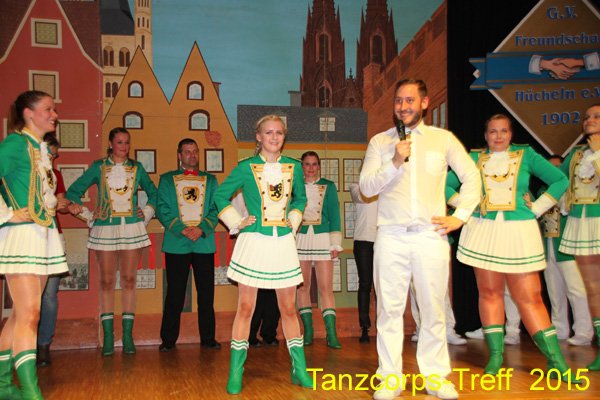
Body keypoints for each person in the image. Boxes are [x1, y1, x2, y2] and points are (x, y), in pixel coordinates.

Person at [359, 79, 480, 400]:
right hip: (391, 235)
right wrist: (394, 161)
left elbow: (472, 177)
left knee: (433, 309)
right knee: (389, 310)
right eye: (399, 100)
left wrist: (460, 216)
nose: (403, 107)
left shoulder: (443, 139)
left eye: (410, 100)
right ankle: (390, 378)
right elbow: (366, 187)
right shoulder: (380, 142)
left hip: (430, 235)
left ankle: (436, 378)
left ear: (424, 103)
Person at [447, 113, 578, 382]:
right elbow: (445, 185)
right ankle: (495, 357)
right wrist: (467, 207)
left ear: (511, 134)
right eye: (493, 131)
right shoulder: (473, 158)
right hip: (484, 231)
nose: (498, 136)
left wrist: (537, 208)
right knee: (489, 293)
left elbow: (560, 180)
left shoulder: (526, 155)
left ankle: (556, 361)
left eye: (503, 131)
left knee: (530, 296)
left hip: (519, 231)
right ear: (485, 135)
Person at [213, 115, 312, 394]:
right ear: (258, 136)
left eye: (279, 132)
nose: (274, 137)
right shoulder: (245, 167)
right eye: (268, 132)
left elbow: (301, 198)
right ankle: (236, 372)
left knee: (289, 309)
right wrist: (237, 221)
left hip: (282, 244)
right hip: (254, 241)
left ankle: (299, 369)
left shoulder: (294, 166)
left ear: (284, 136)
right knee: (246, 307)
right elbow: (219, 196)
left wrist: (294, 220)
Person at [0, 90, 69, 399]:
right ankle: (30, 392)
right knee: (30, 315)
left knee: (20, 315)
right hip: (22, 236)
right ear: (28, 113)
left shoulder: (39, 148)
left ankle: (4, 385)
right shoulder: (15, 144)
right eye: (48, 109)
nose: (54, 115)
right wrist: (6, 215)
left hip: (43, 235)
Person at [66, 127, 157, 356]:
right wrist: (88, 215)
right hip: (105, 229)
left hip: (131, 228)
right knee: (106, 281)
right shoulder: (98, 167)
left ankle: (127, 336)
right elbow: (73, 192)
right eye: (119, 142)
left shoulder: (137, 168)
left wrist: (146, 212)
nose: (124, 146)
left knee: (129, 280)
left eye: (127, 142)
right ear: (110, 144)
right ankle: (108, 337)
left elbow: (154, 194)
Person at [156, 138, 220, 352]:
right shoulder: (166, 180)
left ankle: (208, 339)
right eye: (187, 152)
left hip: (203, 242)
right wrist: (182, 229)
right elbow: (162, 208)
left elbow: (215, 208)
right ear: (179, 155)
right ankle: (168, 340)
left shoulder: (211, 180)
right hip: (177, 243)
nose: (192, 155)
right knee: (175, 294)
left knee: (206, 294)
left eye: (195, 151)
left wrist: (201, 228)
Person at [558, 103, 600, 369]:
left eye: (596, 116)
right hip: (581, 221)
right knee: (593, 288)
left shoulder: (591, 153)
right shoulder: (576, 154)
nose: (589, 120)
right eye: (586, 117)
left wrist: (597, 153)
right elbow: (558, 180)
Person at [539, 156, 593, 346]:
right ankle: (559, 328)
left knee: (576, 290)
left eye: (558, 168)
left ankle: (584, 331)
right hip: (548, 248)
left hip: (567, 248)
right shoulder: (542, 192)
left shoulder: (573, 191)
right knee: (554, 292)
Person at [296, 151, 343, 349]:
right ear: (302, 166)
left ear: (319, 166)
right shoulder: (295, 185)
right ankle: (308, 332)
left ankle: (331, 334)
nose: (311, 168)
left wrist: (335, 243)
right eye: (307, 164)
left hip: (323, 238)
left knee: (325, 287)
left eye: (314, 164)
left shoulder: (329, 186)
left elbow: (334, 214)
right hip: (301, 237)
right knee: (303, 287)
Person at [36, 133, 70, 367]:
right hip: (29, 236)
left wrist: (66, 205)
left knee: (49, 295)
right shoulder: (27, 172)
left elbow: (61, 203)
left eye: (55, 156)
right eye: (50, 154)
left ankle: (43, 345)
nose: (53, 159)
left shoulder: (55, 174)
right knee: (29, 296)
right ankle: (25, 345)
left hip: (53, 236)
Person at [348, 182, 377, 343]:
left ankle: (385, 326)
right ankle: (364, 327)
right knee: (365, 284)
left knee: (384, 286)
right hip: (363, 240)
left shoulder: (388, 184)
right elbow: (363, 197)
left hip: (384, 239)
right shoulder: (356, 186)